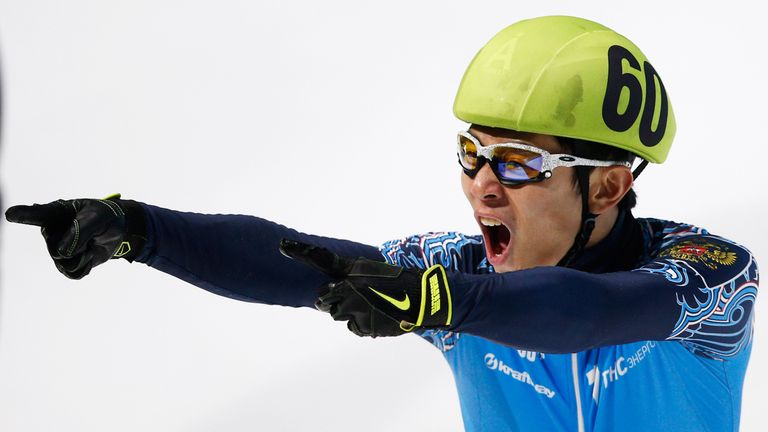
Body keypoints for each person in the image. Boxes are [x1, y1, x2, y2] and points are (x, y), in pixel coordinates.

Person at [4, 15, 758, 432]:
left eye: (520, 163)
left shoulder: (710, 273)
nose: (482, 187)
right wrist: (142, 228)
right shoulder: (458, 274)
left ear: (610, 186)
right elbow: (301, 264)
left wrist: (447, 303)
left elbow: (591, 313)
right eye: (471, 154)